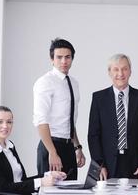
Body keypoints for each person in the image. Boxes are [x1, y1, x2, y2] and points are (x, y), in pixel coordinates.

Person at [88, 53, 138, 180]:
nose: (121, 73)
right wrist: (98, 165)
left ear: (130, 71)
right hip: (106, 165)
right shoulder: (98, 98)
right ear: (109, 72)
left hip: (136, 166)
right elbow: (93, 134)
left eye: (125, 69)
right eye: (116, 69)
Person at [0, 106, 66, 194]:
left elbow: (21, 181)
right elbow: (3, 187)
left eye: (9, 122)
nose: (5, 126)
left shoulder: (9, 146)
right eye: (0, 122)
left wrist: (48, 175)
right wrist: (41, 182)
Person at [33, 38, 85, 180]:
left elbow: (69, 121)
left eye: (67, 57)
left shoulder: (74, 83)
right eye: (59, 57)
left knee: (72, 191)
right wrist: (52, 152)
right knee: (51, 190)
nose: (64, 61)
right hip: (51, 145)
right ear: (52, 59)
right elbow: (41, 121)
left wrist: (77, 147)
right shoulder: (45, 82)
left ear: (72, 59)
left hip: (69, 147)